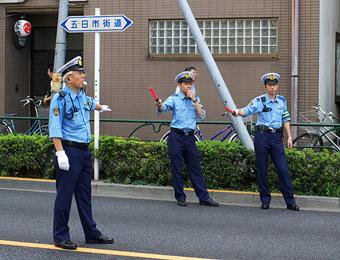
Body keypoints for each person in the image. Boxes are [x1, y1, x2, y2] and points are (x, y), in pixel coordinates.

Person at [49, 56, 114, 250]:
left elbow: (91, 103)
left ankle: (91, 233)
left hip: (84, 152)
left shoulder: (82, 97)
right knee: (65, 195)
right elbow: (55, 128)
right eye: (80, 74)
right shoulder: (59, 99)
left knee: (84, 195)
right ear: (69, 79)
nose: (84, 76)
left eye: (84, 73)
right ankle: (60, 235)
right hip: (69, 151)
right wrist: (60, 153)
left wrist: (101, 107)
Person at [234, 72, 299, 211]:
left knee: (283, 169)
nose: (272, 87)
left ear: (277, 85)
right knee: (262, 169)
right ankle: (265, 200)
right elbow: (248, 110)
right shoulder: (260, 100)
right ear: (265, 86)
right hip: (262, 136)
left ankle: (290, 201)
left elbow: (285, 118)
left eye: (274, 84)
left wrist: (289, 136)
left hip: (276, 138)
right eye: (269, 85)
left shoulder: (282, 100)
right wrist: (237, 111)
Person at [156, 71, 219, 207]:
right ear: (180, 85)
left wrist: (194, 100)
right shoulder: (174, 99)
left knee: (195, 168)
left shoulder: (195, 99)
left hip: (190, 137)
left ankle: (204, 198)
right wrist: (159, 105)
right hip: (176, 137)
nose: (188, 86)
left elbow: (202, 116)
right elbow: (163, 108)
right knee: (177, 168)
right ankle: (180, 197)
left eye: (190, 84)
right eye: (186, 84)